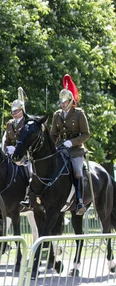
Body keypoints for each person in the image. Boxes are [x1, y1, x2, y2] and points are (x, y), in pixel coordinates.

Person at [49, 74, 89, 215]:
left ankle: (79, 201)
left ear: (71, 101)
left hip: (76, 150)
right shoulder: (57, 115)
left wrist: (72, 142)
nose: (62, 104)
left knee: (77, 172)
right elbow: (54, 134)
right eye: (61, 101)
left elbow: (86, 134)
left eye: (65, 101)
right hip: (62, 149)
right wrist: (51, 147)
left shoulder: (79, 114)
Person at [1, 87, 31, 207]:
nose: (13, 113)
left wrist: (18, 150)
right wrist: (6, 148)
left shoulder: (27, 124)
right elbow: (6, 140)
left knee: (31, 173)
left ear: (22, 110)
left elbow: (29, 141)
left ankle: (29, 195)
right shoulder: (10, 124)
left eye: (16, 111)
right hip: (10, 155)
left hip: (25, 156)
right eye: (12, 111)